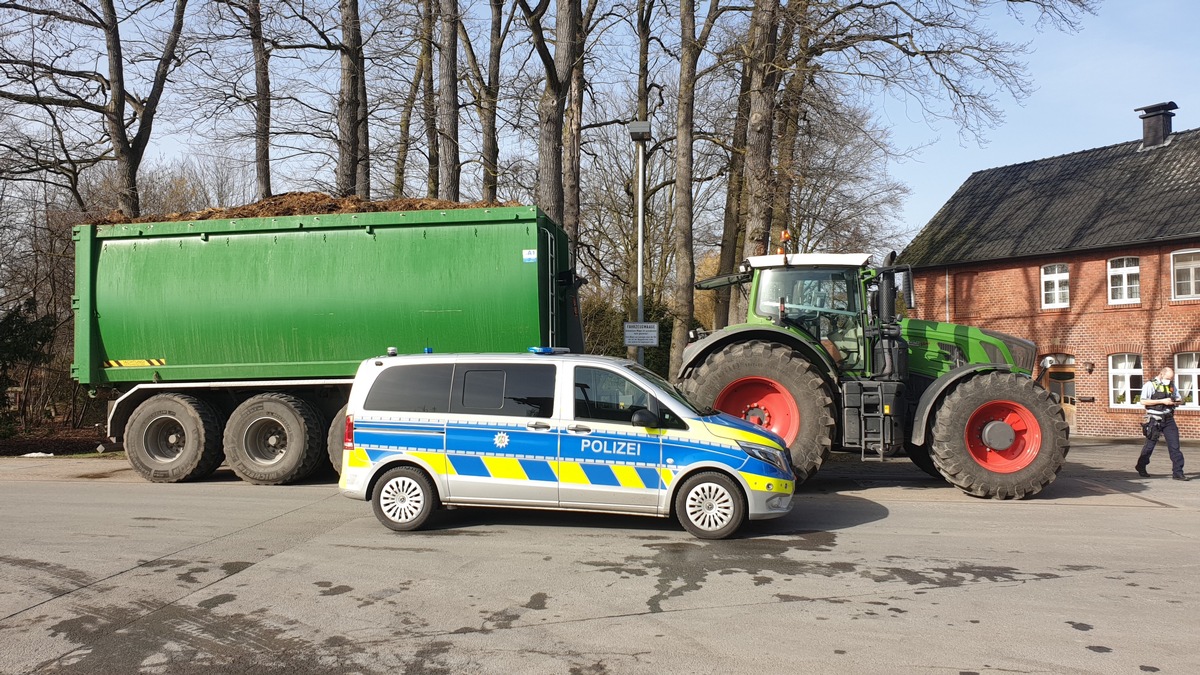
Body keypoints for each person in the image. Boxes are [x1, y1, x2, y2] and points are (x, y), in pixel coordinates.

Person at [1135, 366, 1188, 480]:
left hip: (1168, 419)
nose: (1169, 380)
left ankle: (1178, 472)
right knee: (1150, 445)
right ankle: (1141, 466)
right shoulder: (1150, 385)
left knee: (1175, 446)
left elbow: (1179, 399)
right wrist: (1161, 401)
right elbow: (1143, 401)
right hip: (1155, 419)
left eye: (1171, 378)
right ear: (1161, 374)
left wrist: (1175, 402)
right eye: (1168, 378)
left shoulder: (1171, 386)